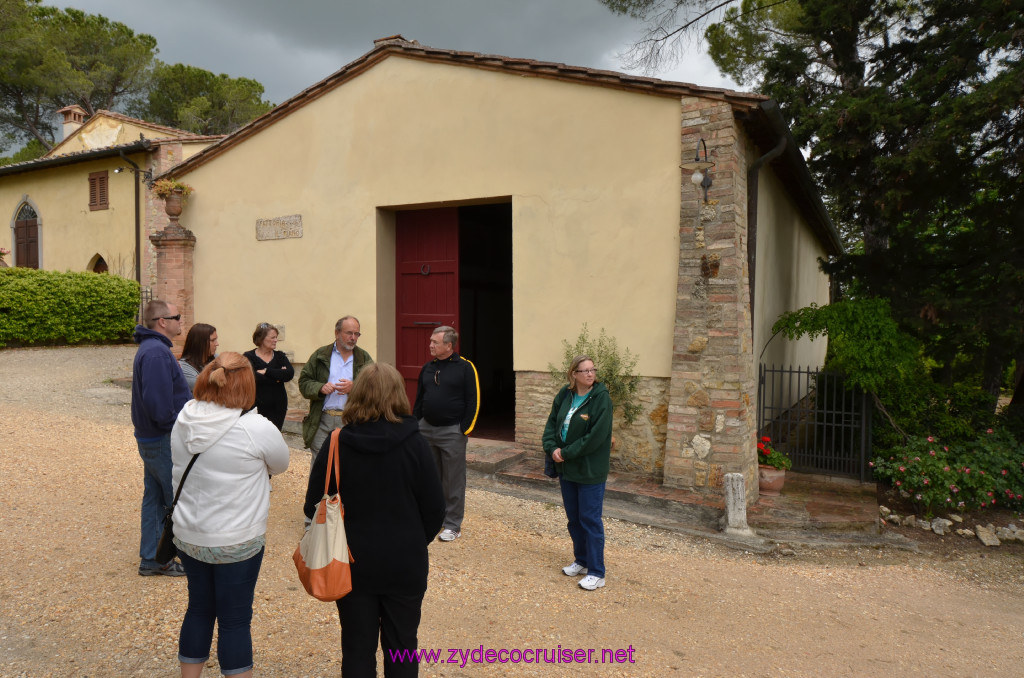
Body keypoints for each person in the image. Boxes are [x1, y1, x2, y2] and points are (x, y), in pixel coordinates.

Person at [304, 363, 445, 678]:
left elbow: (312, 504)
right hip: (404, 561)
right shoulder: (417, 444)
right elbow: (435, 509)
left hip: (351, 561)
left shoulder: (338, 442)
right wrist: (410, 538)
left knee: (357, 648)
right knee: (402, 646)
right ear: (398, 395)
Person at [171, 352, 290, 678]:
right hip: (237, 538)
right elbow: (281, 464)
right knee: (235, 620)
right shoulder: (255, 427)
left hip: (190, 534)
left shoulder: (185, 418)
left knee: (198, 609)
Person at [131, 299, 192, 576]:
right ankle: (171, 558)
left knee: (155, 498)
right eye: (177, 316)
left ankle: (152, 559)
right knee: (175, 499)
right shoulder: (156, 352)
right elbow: (157, 405)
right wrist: (175, 428)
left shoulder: (155, 349)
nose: (182, 320)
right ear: (162, 322)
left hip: (154, 438)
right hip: (161, 438)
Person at [541, 354, 613, 591]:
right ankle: (582, 561)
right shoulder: (565, 395)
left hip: (589, 469)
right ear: (574, 374)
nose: (590, 374)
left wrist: (566, 452)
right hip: (566, 468)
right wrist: (552, 449)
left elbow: (595, 437)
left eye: (593, 369)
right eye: (585, 371)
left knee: (590, 520)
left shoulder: (601, 399)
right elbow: (551, 425)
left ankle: (597, 572)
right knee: (574, 519)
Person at [412, 326, 479, 542]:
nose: (430, 345)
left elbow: (473, 400)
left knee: (453, 480)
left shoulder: (466, 368)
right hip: (426, 429)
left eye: (435, 342)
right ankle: (435, 517)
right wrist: (416, 424)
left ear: (448, 346)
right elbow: (420, 399)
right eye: (431, 341)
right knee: (430, 478)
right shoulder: (427, 368)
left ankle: (452, 525)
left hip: (452, 432)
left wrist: (464, 430)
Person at [298, 316, 373, 466]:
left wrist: (354, 387)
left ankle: (346, 491)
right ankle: (320, 491)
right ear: (337, 333)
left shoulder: (364, 358)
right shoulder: (320, 355)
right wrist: (319, 388)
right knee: (320, 464)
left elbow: (375, 387)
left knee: (350, 464)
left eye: (356, 334)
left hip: (351, 420)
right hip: (322, 420)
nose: (353, 338)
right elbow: (304, 382)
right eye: (349, 333)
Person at [244, 322, 294, 430]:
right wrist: (278, 375)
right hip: (255, 406)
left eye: (276, 337)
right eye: (272, 337)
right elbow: (251, 377)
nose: (276, 340)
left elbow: (289, 374)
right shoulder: (248, 357)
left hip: (278, 406)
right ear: (261, 338)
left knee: (274, 437)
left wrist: (266, 371)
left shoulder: (280, 356)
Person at [178, 323, 219, 391]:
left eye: (216, 340)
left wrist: (203, 379)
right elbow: (204, 390)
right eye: (212, 340)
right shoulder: (184, 367)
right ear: (200, 343)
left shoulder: (217, 358)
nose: (217, 344)